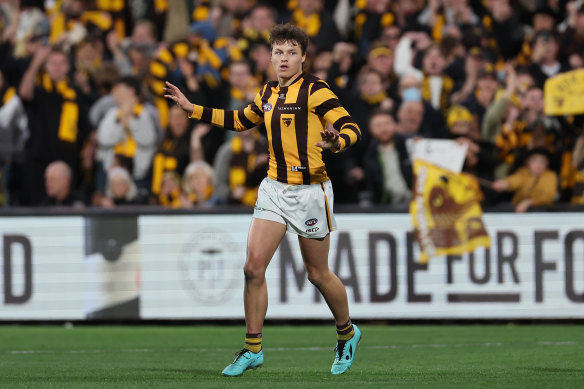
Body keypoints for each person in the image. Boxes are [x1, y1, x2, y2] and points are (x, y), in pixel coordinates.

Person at [164, 23, 362, 376]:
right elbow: (241, 120)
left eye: (290, 52)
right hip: (274, 188)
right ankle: (253, 349)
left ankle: (347, 332)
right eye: (277, 51)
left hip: (310, 191)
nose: (283, 58)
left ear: (303, 57)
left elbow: (351, 128)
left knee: (317, 273)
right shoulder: (269, 92)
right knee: (253, 267)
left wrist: (337, 143)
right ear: (270, 56)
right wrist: (192, 108)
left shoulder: (316, 90)